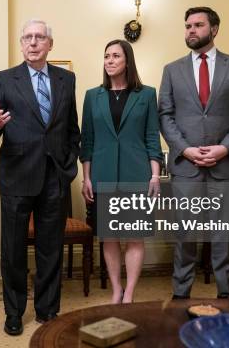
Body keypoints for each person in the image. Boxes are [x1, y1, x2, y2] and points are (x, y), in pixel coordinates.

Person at [0, 19, 80, 336]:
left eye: (40, 37)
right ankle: (13, 312)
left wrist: (70, 163)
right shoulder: (5, 79)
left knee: (51, 249)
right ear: (21, 43)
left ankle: (47, 309)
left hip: (55, 177)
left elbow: (71, 127)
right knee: (13, 250)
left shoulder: (67, 79)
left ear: (50, 44)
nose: (34, 42)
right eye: (28, 37)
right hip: (17, 176)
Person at [158, 6, 229, 300]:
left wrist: (225, 147)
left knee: (224, 235)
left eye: (198, 25)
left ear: (214, 29)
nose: (191, 30)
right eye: (187, 25)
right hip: (186, 167)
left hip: (224, 165)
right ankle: (181, 293)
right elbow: (165, 115)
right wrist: (186, 149)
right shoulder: (172, 70)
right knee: (185, 234)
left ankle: (226, 292)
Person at [80, 39, 163, 304]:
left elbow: (152, 137)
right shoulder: (93, 96)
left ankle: (129, 293)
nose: (110, 60)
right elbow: (88, 140)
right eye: (106, 56)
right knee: (110, 237)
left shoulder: (147, 94)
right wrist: (86, 178)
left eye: (116, 55)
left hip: (136, 174)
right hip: (102, 175)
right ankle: (116, 289)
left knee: (135, 237)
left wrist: (154, 175)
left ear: (128, 60)